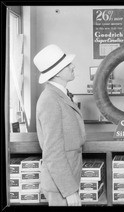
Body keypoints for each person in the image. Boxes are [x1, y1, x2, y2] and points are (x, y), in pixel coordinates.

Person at [34, 44, 85, 206]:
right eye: (67, 65)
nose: (73, 66)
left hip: (66, 179)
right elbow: (53, 151)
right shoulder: (50, 99)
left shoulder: (59, 95)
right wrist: (69, 191)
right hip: (60, 186)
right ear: (56, 73)